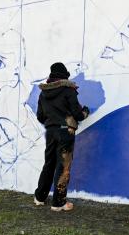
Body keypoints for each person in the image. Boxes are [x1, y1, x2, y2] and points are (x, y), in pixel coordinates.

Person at [34, 62, 90, 212]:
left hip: (51, 132)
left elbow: (40, 116)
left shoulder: (43, 93)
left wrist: (52, 121)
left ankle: (40, 197)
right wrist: (86, 111)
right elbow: (78, 114)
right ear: (64, 75)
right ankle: (58, 203)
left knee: (49, 164)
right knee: (63, 166)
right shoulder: (68, 90)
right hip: (66, 132)